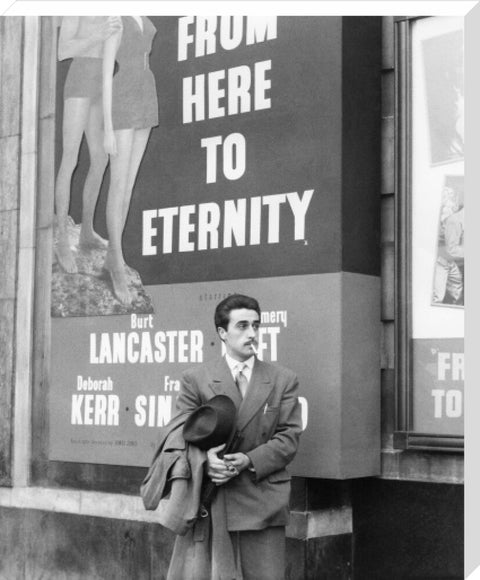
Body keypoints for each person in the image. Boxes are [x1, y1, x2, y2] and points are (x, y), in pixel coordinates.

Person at [173, 294, 303, 580]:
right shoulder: (196, 378)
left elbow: (289, 438)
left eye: (256, 326)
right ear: (222, 333)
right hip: (215, 500)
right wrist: (206, 460)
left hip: (263, 499)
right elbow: (179, 436)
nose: (252, 334)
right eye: (242, 326)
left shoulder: (283, 379)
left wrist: (248, 459)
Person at [54, 16, 121, 273]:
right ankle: (62, 239)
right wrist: (99, 35)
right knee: (70, 157)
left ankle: (87, 231)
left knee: (100, 158)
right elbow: (63, 50)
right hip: (80, 77)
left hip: (103, 80)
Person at [102, 16, 158, 306]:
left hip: (146, 91)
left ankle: (113, 255)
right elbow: (106, 71)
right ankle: (117, 262)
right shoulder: (116, 17)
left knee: (128, 186)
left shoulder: (143, 15)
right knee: (118, 184)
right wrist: (108, 127)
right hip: (123, 94)